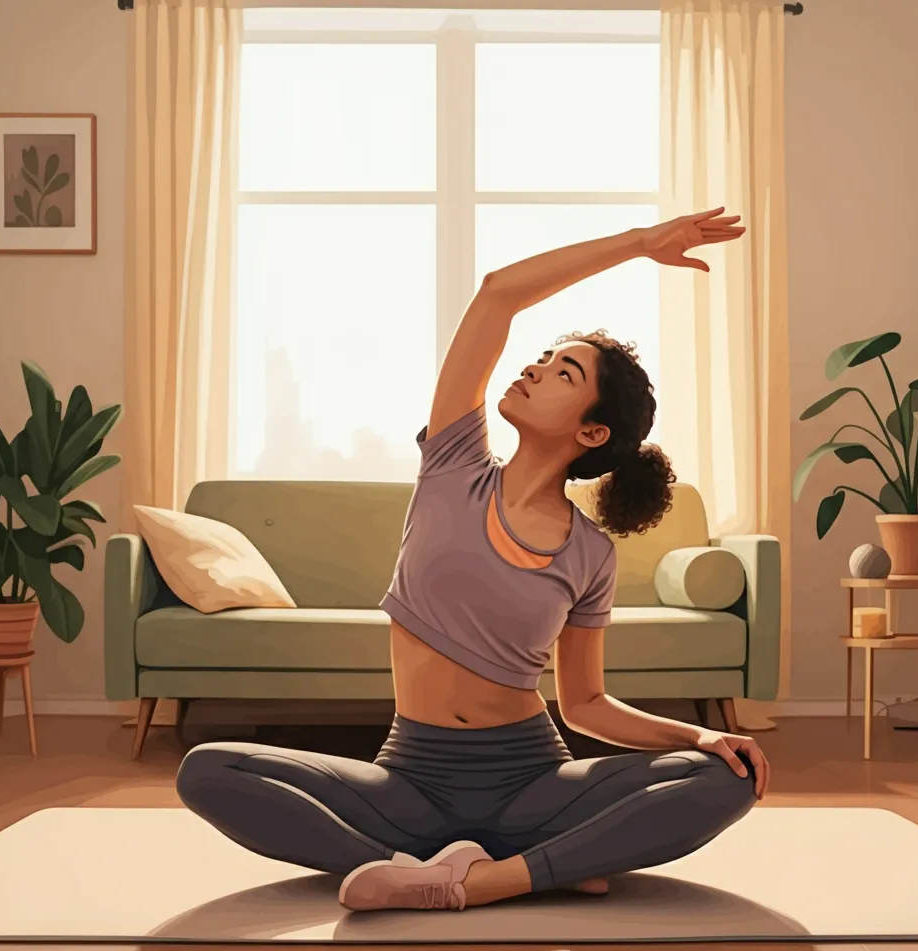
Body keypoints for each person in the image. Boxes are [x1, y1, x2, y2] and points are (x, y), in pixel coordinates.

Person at [176, 206, 771, 914]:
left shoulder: (590, 553)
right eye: (546, 357)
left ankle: (476, 878)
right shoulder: (453, 464)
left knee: (727, 778)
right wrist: (641, 244)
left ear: (592, 429)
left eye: (564, 371)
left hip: (531, 783)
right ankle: (534, 869)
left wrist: (702, 734)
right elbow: (497, 295)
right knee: (207, 771)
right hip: (408, 782)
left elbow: (584, 705)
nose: (537, 368)